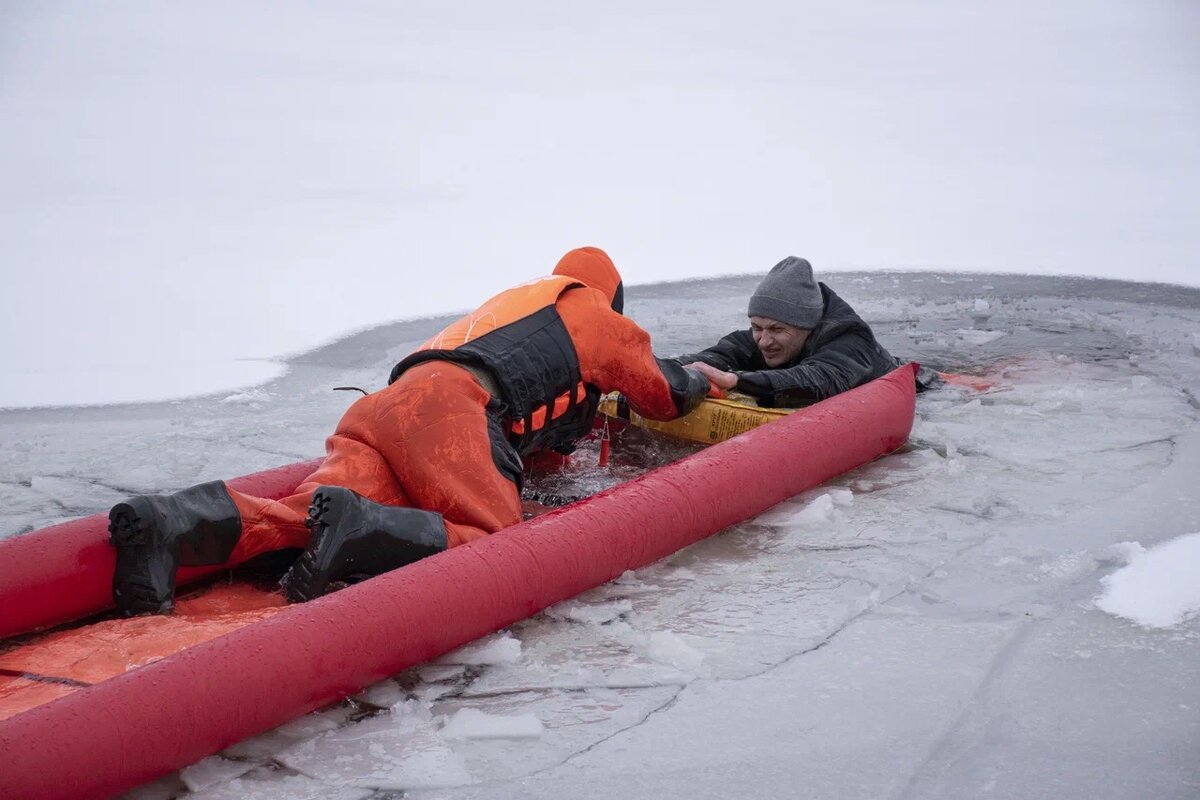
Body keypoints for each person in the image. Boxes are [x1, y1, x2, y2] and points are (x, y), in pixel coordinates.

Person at [108, 247, 710, 615]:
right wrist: (708, 382)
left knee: (302, 511)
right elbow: (660, 393)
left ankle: (175, 522)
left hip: (384, 407)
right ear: (612, 298)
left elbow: (532, 417)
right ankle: (363, 529)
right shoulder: (595, 315)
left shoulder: (515, 308)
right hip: (450, 416)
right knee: (496, 541)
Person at [677, 256, 938, 407]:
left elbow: (820, 379)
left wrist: (737, 380)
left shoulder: (850, 339)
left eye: (777, 329)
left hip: (928, 394)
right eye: (757, 327)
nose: (764, 341)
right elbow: (723, 354)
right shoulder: (764, 338)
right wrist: (672, 370)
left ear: (808, 326)